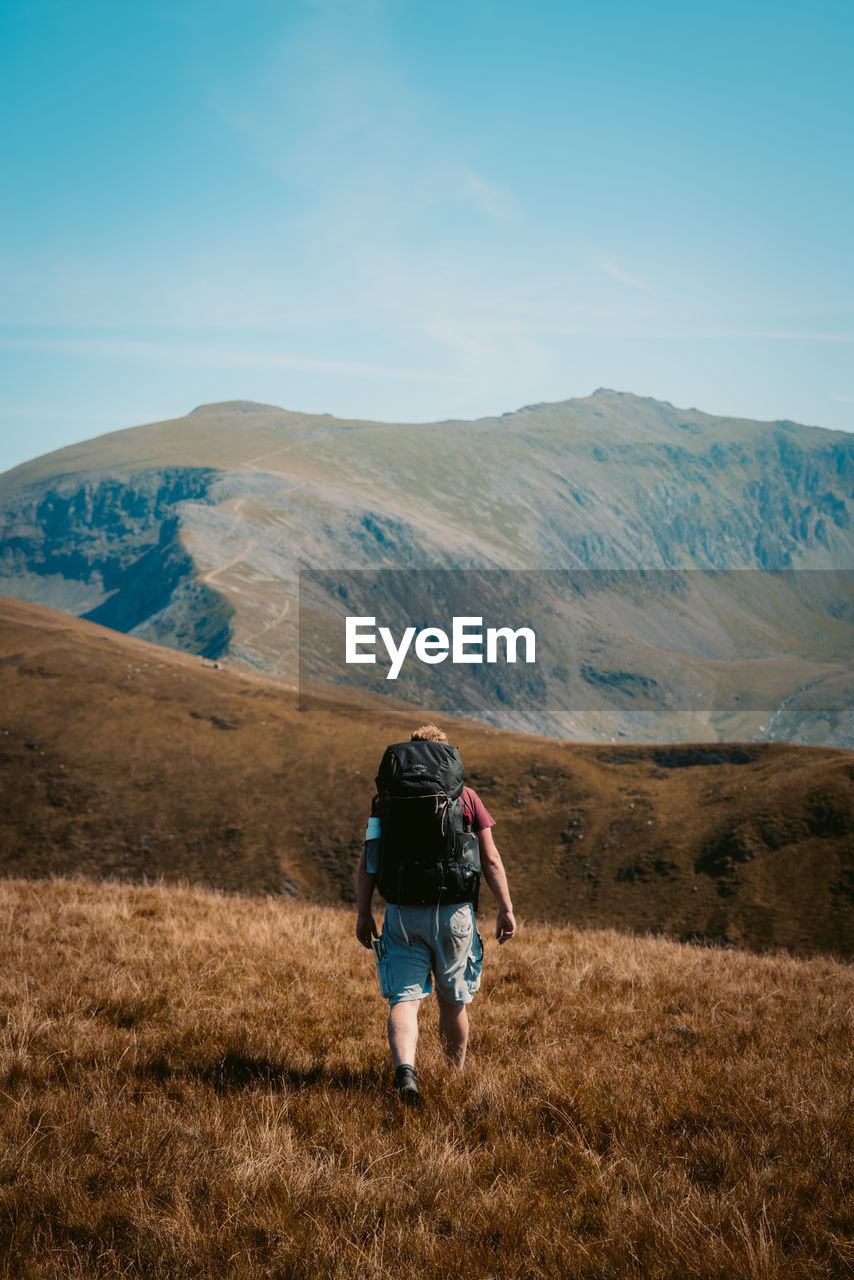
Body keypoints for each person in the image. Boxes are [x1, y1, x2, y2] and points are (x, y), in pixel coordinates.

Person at [355, 723, 516, 1105]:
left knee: (404, 999)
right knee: (452, 1000)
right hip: (454, 913)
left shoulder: (384, 800)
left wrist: (363, 913)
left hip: (402, 912)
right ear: (447, 757)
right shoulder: (467, 797)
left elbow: (370, 859)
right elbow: (490, 857)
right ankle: (453, 1075)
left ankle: (405, 1073)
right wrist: (505, 908)